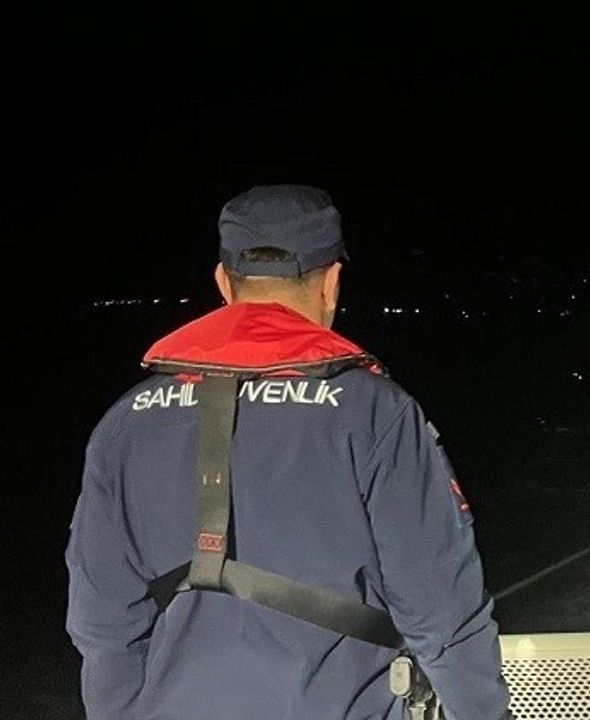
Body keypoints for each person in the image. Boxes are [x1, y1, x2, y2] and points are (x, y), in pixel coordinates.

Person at [65, 185, 512, 719]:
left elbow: (102, 625)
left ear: (223, 282)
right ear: (332, 283)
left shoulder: (124, 424)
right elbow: (443, 614)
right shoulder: (374, 411)